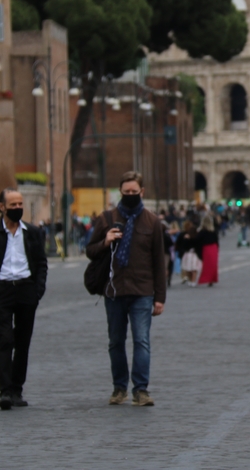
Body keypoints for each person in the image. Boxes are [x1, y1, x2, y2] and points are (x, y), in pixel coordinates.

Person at [86, 171, 167, 407]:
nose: (130, 195)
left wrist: (159, 297)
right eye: (126, 192)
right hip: (114, 290)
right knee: (115, 341)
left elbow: (158, 263)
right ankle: (119, 388)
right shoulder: (106, 219)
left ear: (142, 192)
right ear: (119, 192)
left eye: (134, 192)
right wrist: (105, 241)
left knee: (142, 341)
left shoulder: (152, 222)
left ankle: (141, 389)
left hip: (142, 290)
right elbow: (90, 250)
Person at [0, 189, 48, 410]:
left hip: (26, 290)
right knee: (5, 341)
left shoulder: (33, 232)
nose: (18, 208)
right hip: (1, 292)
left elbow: (41, 263)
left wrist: (38, 292)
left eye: (20, 204)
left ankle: (17, 389)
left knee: (23, 343)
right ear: (1, 207)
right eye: (13, 204)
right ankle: (5, 391)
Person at [195, 215, 220, 287]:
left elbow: (198, 241)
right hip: (213, 247)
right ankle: (212, 279)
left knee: (207, 265)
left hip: (206, 248)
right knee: (213, 265)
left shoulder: (202, 232)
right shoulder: (213, 231)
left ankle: (207, 278)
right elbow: (216, 241)